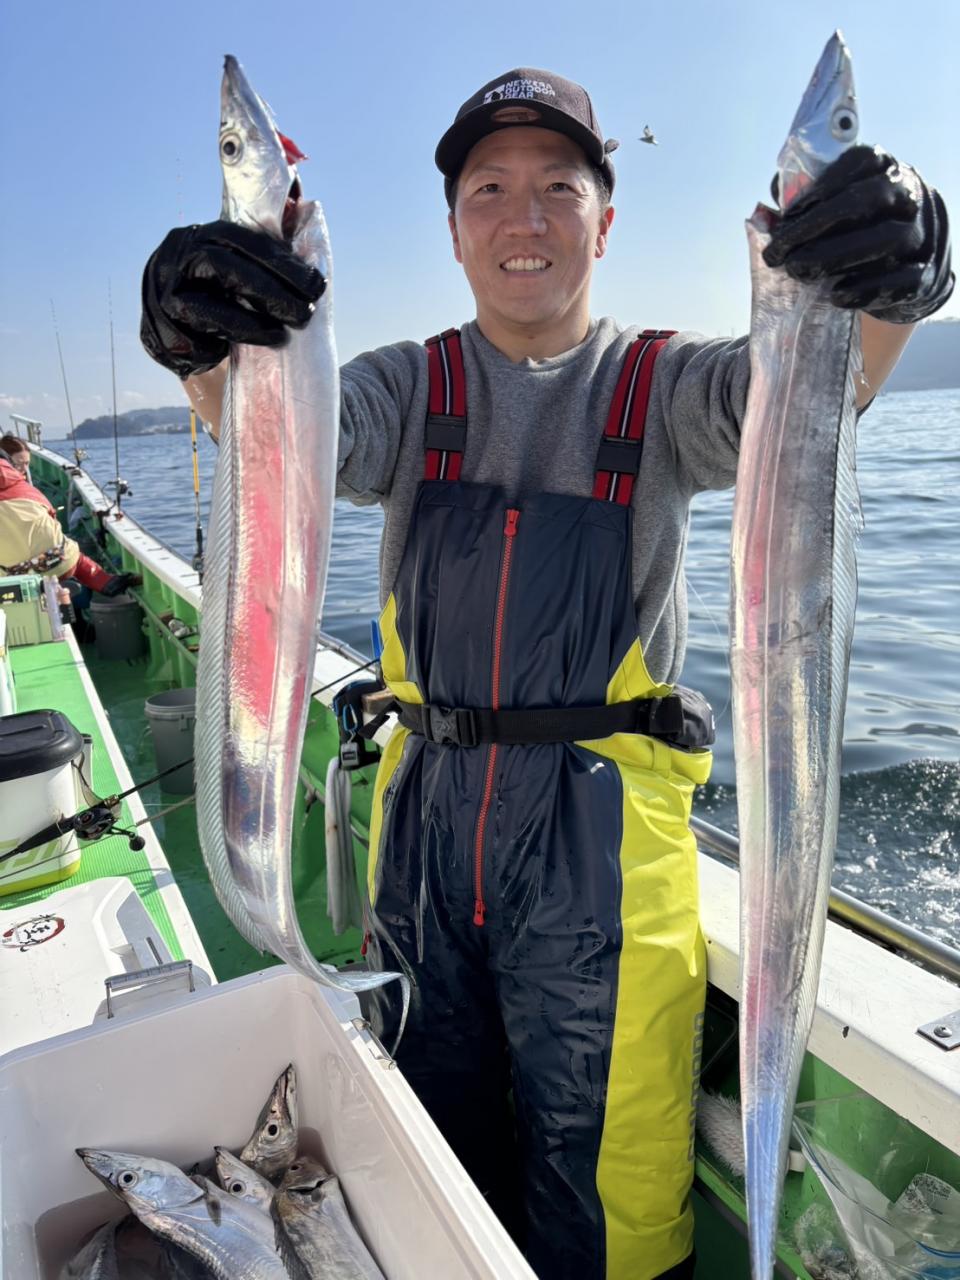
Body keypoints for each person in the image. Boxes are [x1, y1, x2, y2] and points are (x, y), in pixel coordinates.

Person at [139, 68, 953, 1280]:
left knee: (610, 1194)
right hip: (424, 840)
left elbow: (820, 390)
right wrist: (202, 345)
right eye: (490, 189)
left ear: (604, 221)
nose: (524, 217)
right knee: (427, 1159)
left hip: (604, 854)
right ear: (453, 229)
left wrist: (903, 275)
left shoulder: (669, 385)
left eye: (557, 187)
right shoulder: (404, 387)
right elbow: (277, 440)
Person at [0, 435, 140, 597]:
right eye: (19, 465)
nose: (24, 470)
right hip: (61, 563)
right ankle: (105, 582)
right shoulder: (24, 489)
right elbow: (51, 515)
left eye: (27, 464)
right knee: (69, 551)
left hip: (15, 578)